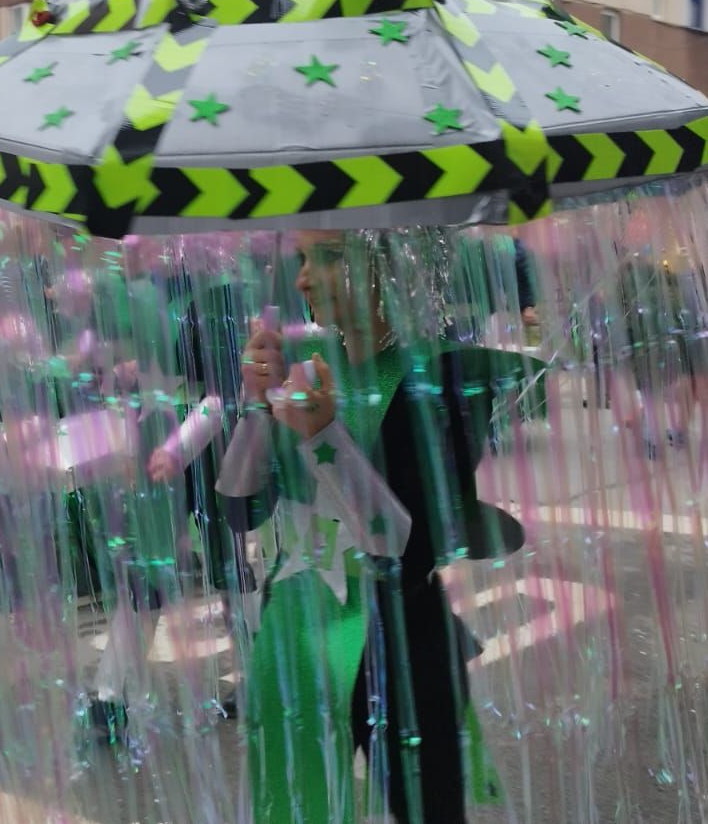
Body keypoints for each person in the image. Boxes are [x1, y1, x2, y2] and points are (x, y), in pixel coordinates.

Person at [217, 230, 524, 823]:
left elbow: (404, 550)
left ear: (395, 265)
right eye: (303, 259)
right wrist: (255, 403)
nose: (304, 278)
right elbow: (238, 506)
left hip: (400, 640)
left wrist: (324, 436)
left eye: (330, 257)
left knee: (422, 804)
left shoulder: (443, 376)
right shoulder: (311, 370)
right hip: (296, 633)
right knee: (294, 799)